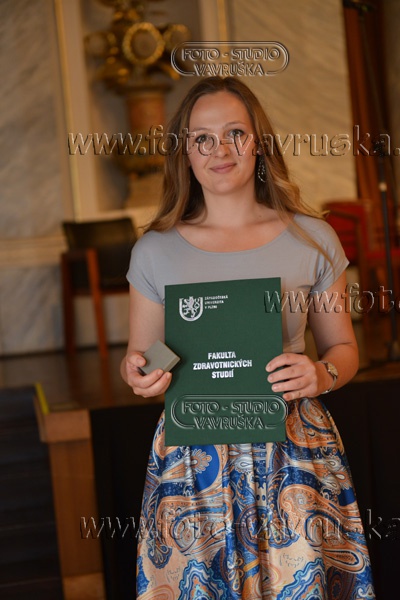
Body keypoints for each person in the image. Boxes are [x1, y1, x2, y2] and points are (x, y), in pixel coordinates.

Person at [121, 76, 375, 599]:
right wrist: (141, 373)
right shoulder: (154, 250)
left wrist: (322, 373)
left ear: (258, 142)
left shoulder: (313, 238)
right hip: (193, 460)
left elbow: (345, 350)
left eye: (235, 133)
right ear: (185, 151)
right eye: (202, 137)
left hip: (294, 451)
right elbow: (148, 357)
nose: (220, 150)